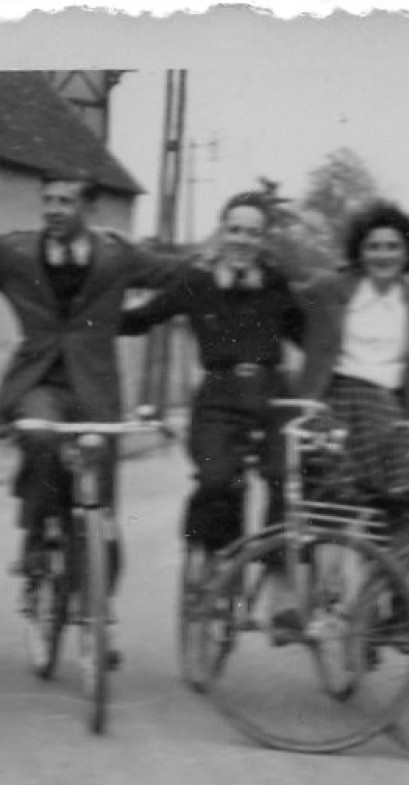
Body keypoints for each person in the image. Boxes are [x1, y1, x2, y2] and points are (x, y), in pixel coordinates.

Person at [0, 173, 186, 621]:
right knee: (40, 438)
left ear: (88, 209)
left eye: (64, 201)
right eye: (47, 199)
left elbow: (173, 273)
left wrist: (134, 316)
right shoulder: (15, 252)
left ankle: (97, 607)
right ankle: (34, 536)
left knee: (102, 503)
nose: (53, 208)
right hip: (39, 383)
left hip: (96, 390)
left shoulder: (115, 256)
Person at [118, 190, 303, 556]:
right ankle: (215, 568)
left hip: (273, 396)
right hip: (219, 398)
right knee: (218, 481)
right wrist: (89, 316)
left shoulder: (276, 283)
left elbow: (307, 334)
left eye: (252, 233)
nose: (242, 240)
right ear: (222, 232)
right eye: (235, 230)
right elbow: (142, 318)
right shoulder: (197, 283)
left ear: (263, 240)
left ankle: (276, 572)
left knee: (288, 480)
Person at [295, 202, 409, 525]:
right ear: (360, 252)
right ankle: (335, 568)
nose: (384, 255)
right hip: (336, 403)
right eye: (374, 247)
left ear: (408, 253)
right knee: (332, 506)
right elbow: (283, 298)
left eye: (394, 247)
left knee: (398, 504)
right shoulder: (331, 289)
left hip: (389, 409)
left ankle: (392, 569)